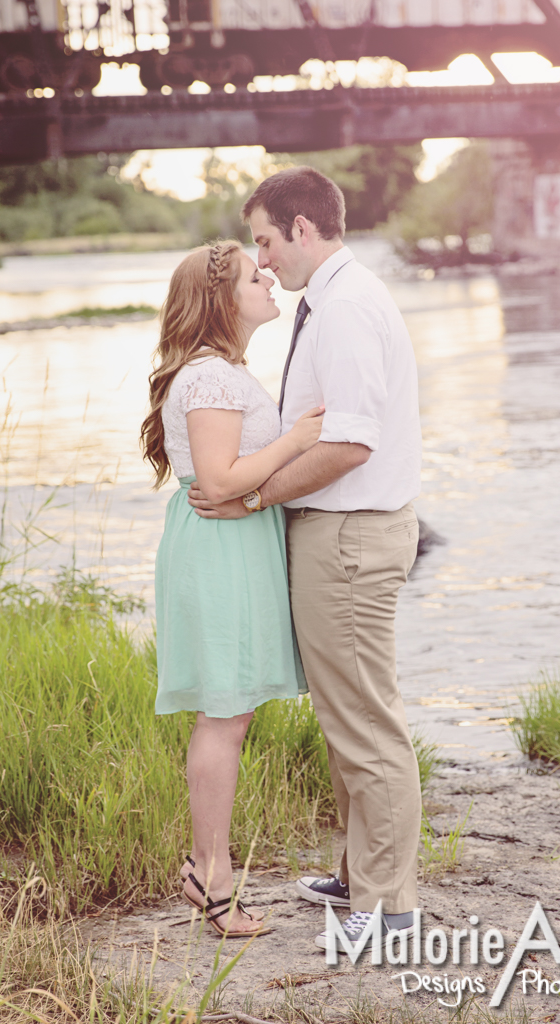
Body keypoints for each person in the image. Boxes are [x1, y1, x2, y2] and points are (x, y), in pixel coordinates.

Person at [187, 167, 423, 950]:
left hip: (351, 535)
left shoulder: (348, 307)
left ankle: (386, 909)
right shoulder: (331, 301)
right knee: (344, 715)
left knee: (366, 722)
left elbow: (352, 443)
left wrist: (253, 499)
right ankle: (360, 876)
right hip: (335, 533)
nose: (263, 258)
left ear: (301, 228)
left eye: (264, 240)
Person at [140, 239, 324, 938]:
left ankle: (208, 867)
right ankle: (210, 878)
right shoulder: (210, 378)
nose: (268, 276)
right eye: (255, 275)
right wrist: (299, 439)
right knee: (224, 712)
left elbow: (225, 482)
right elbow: (217, 482)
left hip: (232, 543)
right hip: (218, 550)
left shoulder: (222, 373)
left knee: (233, 712)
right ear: (223, 299)